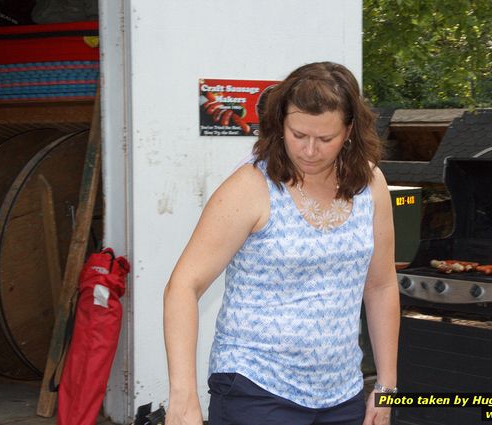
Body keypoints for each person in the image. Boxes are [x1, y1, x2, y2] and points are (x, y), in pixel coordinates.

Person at [164, 61, 400, 425]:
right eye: (298, 134)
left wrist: (386, 385)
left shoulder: (371, 185)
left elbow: (381, 285)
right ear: (280, 126)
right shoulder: (251, 188)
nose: (309, 150)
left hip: (341, 392)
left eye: (325, 139)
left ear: (350, 130)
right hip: (256, 389)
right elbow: (183, 285)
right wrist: (183, 395)